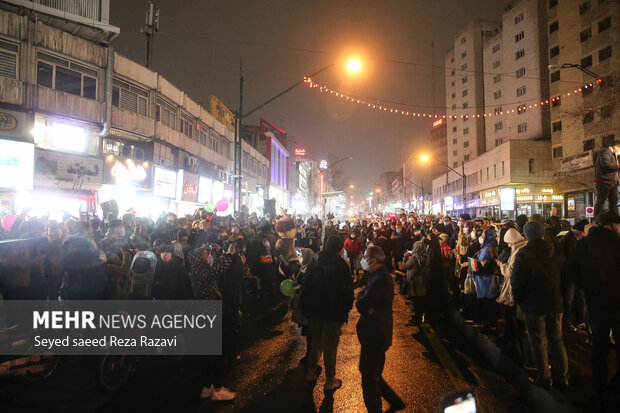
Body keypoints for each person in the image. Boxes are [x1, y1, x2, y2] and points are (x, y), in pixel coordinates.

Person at [567, 212, 620, 411]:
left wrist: (587, 287)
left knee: (600, 350)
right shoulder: (617, 242)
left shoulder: (585, 244)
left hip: (596, 305)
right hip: (617, 304)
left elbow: (571, 271)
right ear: (611, 225)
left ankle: (600, 394)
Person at [511, 221, 568, 390]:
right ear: (542, 234)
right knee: (557, 341)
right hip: (555, 303)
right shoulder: (555, 252)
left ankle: (544, 377)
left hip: (533, 305)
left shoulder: (523, 254)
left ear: (526, 236)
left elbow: (517, 283)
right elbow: (565, 277)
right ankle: (563, 377)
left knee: (538, 342)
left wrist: (520, 301)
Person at [300, 235, 354, 392]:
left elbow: (306, 285)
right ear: (339, 248)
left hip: (315, 311)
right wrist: (345, 310)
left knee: (316, 341)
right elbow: (347, 291)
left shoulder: (315, 261)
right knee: (330, 346)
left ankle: (311, 371)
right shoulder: (341, 265)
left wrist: (306, 308)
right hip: (333, 313)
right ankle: (330, 380)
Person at [356, 245, 405, 413]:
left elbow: (363, 303)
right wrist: (363, 298)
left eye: (366, 257)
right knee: (372, 372)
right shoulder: (376, 276)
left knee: (369, 377)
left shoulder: (380, 280)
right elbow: (364, 299)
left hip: (375, 334)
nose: (363, 260)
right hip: (375, 333)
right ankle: (395, 402)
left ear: (374, 261)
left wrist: (362, 300)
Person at [593, 144, 619, 218]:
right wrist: (618, 167)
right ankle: (597, 218)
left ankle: (614, 218)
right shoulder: (605, 152)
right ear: (615, 146)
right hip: (604, 181)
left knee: (613, 201)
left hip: (612, 182)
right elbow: (606, 165)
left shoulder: (612, 154)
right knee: (601, 200)